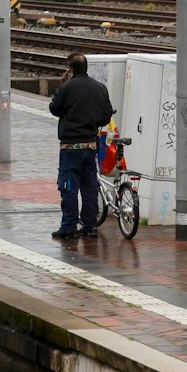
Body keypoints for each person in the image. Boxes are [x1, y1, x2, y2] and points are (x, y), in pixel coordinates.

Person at [48, 53, 115, 239]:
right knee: (89, 186)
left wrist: (61, 87)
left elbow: (54, 108)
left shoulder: (68, 87)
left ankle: (69, 226)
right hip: (91, 145)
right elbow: (106, 115)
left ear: (71, 69)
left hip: (70, 147)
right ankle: (90, 225)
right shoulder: (100, 88)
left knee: (69, 186)